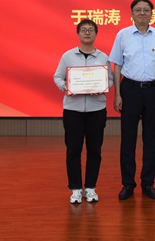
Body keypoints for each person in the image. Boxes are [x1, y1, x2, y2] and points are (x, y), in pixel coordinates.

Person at [109, 0, 155, 200]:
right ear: (132, 13)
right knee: (128, 139)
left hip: (154, 90)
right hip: (130, 89)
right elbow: (117, 65)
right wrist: (118, 94)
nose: (142, 13)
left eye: (146, 10)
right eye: (138, 10)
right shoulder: (123, 35)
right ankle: (128, 183)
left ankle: (148, 183)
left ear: (152, 13)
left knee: (151, 139)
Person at [53, 19, 113, 204]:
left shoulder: (103, 57)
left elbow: (110, 79)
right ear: (78, 34)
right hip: (73, 110)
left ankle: (91, 188)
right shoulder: (68, 56)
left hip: (97, 110)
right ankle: (76, 189)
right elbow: (57, 77)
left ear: (96, 34)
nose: (87, 33)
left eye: (91, 30)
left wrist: (103, 88)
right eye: (84, 30)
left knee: (95, 150)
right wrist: (66, 87)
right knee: (73, 150)